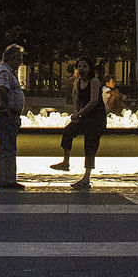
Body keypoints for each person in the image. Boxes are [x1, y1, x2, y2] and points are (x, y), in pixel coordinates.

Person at [50, 56, 108, 189]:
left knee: (90, 145)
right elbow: (76, 100)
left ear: (90, 69)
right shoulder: (77, 82)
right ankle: (66, 162)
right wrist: (75, 114)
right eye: (79, 66)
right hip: (84, 116)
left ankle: (86, 178)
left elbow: (94, 102)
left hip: (96, 118)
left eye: (85, 66)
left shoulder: (94, 81)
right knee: (68, 131)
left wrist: (79, 113)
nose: (81, 69)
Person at [0, 44, 25, 190]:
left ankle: (3, 179)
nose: (20, 62)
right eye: (19, 59)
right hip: (5, 115)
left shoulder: (6, 71)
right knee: (8, 148)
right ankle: (7, 180)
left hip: (6, 114)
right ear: (11, 58)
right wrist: (8, 109)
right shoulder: (5, 72)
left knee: (5, 147)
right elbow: (2, 89)